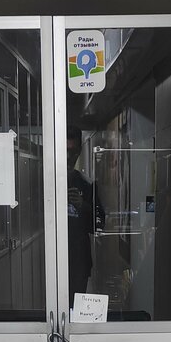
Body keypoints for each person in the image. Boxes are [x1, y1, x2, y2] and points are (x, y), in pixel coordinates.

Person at [66, 125, 104, 308]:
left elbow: (99, 224)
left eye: (72, 151)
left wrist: (83, 206)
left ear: (79, 151)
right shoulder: (42, 181)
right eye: (64, 151)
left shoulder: (87, 185)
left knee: (75, 309)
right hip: (46, 258)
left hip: (78, 260)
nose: (68, 157)